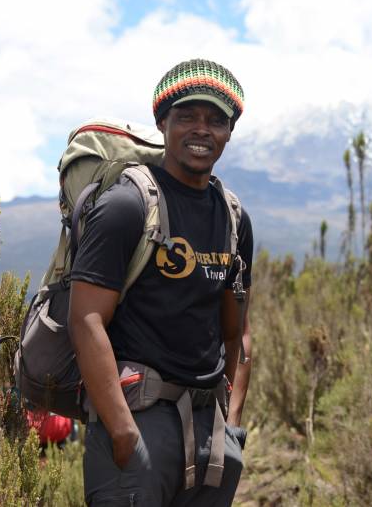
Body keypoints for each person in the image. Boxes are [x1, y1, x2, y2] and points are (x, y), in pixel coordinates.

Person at [69, 58, 254, 506]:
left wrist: (230, 426)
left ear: (229, 131)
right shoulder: (128, 204)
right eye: (186, 115)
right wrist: (121, 430)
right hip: (138, 423)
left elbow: (238, 332)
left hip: (209, 429)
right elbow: (85, 317)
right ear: (162, 122)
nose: (201, 129)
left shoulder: (233, 218)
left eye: (215, 120)